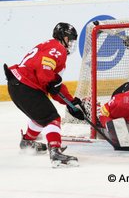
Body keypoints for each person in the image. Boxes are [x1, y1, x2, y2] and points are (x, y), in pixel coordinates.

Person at [3, 22, 85, 168]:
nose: (71, 43)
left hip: (16, 85)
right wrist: (52, 82)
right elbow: (45, 71)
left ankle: (28, 141)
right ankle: (55, 153)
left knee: (42, 115)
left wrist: (71, 103)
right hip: (25, 86)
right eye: (69, 39)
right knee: (52, 118)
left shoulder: (48, 45)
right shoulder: (57, 48)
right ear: (62, 37)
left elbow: (54, 86)